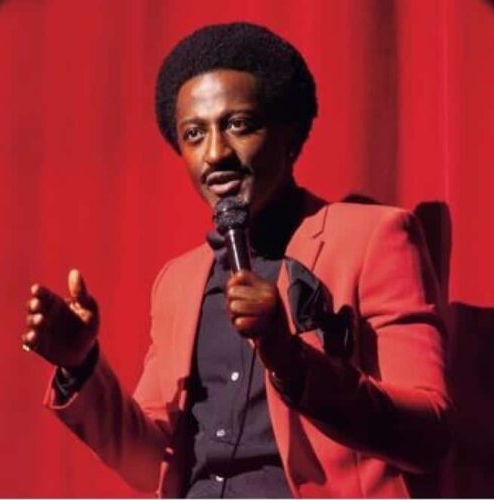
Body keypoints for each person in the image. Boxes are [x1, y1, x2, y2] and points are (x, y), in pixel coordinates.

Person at [23, 22, 451, 498]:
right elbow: (153, 465)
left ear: (290, 134)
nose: (215, 153)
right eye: (193, 134)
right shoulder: (178, 280)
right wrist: (80, 367)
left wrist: (291, 360)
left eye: (239, 125)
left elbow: (429, 434)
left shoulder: (374, 238)